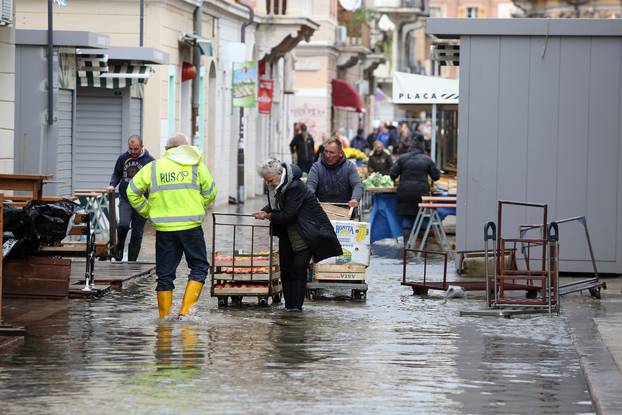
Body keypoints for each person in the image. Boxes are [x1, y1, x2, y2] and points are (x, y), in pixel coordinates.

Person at [127, 133, 217, 319]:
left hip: (165, 230)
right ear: (186, 148)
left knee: (165, 275)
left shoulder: (154, 167)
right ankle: (185, 313)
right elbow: (211, 192)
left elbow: (132, 192)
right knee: (199, 268)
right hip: (191, 228)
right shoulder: (196, 165)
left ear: (167, 150)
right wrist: (199, 204)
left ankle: (164, 319)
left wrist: (148, 212)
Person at [255, 160, 342, 311]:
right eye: (266, 180)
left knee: (298, 269)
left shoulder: (295, 186)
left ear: (280, 174)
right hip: (287, 233)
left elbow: (289, 214)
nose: (269, 183)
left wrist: (269, 216)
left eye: (270, 180)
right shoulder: (275, 185)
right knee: (286, 270)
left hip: (305, 232)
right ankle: (289, 306)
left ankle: (296, 307)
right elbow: (275, 203)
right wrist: (264, 210)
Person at [108, 135, 155, 261]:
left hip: (142, 201)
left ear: (141, 147)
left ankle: (131, 261)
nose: (133, 151)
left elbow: (154, 181)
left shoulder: (150, 161)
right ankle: (120, 245)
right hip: (125, 198)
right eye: (131, 149)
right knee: (123, 224)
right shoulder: (123, 158)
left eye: (136, 148)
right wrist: (112, 185)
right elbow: (116, 174)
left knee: (137, 233)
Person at [389, 141, 441, 245]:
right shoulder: (427, 159)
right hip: (421, 194)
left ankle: (407, 245)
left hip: (405, 193)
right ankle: (423, 246)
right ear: (422, 149)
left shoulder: (402, 158)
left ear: (410, 148)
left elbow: (392, 174)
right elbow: (436, 177)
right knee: (422, 218)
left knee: (407, 218)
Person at [307, 137, 363, 208]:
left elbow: (357, 184)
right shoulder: (316, 167)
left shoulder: (349, 167)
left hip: (345, 210)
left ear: (340, 154)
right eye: (326, 151)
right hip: (321, 210)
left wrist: (355, 199)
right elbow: (310, 186)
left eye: (332, 152)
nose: (328, 155)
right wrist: (312, 198)